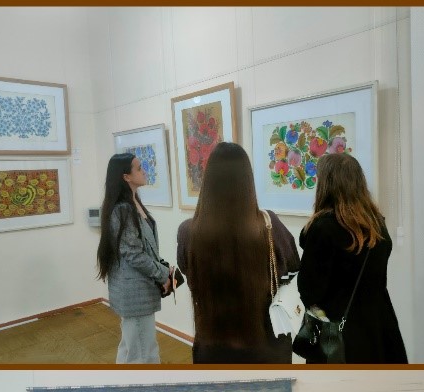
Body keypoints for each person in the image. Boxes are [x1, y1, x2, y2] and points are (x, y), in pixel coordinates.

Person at [176, 142, 300, 363]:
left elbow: (188, 271)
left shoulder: (189, 232)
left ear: (208, 182)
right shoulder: (270, 226)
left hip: (211, 346)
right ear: (247, 182)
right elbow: (292, 268)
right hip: (266, 347)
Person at [295, 153, 407, 363]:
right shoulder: (377, 225)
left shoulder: (323, 228)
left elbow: (310, 291)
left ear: (326, 186)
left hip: (340, 336)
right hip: (379, 327)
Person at [96, 152, 172, 363]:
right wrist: (163, 274)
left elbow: (144, 248)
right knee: (143, 353)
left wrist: (163, 270)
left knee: (131, 347)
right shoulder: (123, 210)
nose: (144, 171)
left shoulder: (133, 202)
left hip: (139, 287)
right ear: (126, 176)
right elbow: (134, 254)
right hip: (134, 291)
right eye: (139, 168)